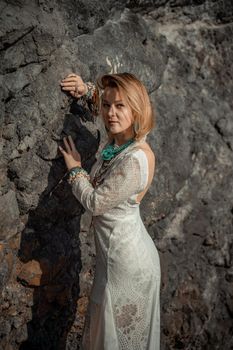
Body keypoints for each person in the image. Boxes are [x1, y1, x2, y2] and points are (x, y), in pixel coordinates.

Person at [59, 72, 161, 350]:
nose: (111, 114)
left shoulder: (136, 159)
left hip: (129, 267)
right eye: (107, 106)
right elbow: (112, 104)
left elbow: (94, 203)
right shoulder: (123, 141)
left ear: (136, 110)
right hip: (115, 258)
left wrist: (76, 170)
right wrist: (86, 91)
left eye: (120, 107)